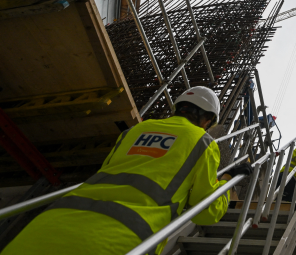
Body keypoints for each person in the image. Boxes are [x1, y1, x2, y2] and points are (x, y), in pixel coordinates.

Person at [2, 86, 251, 255]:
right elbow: (206, 212)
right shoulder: (202, 142)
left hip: (45, 228)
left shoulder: (133, 132)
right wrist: (228, 179)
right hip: (117, 240)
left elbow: (111, 172)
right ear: (207, 120)